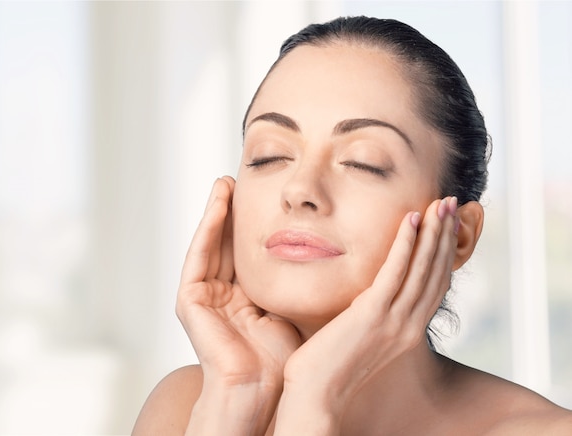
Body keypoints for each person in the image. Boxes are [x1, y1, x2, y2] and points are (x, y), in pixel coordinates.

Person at [133, 15, 572, 435]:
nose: (299, 188)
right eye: (269, 155)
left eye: (363, 163)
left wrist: (314, 402)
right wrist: (234, 399)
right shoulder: (191, 407)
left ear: (457, 236)